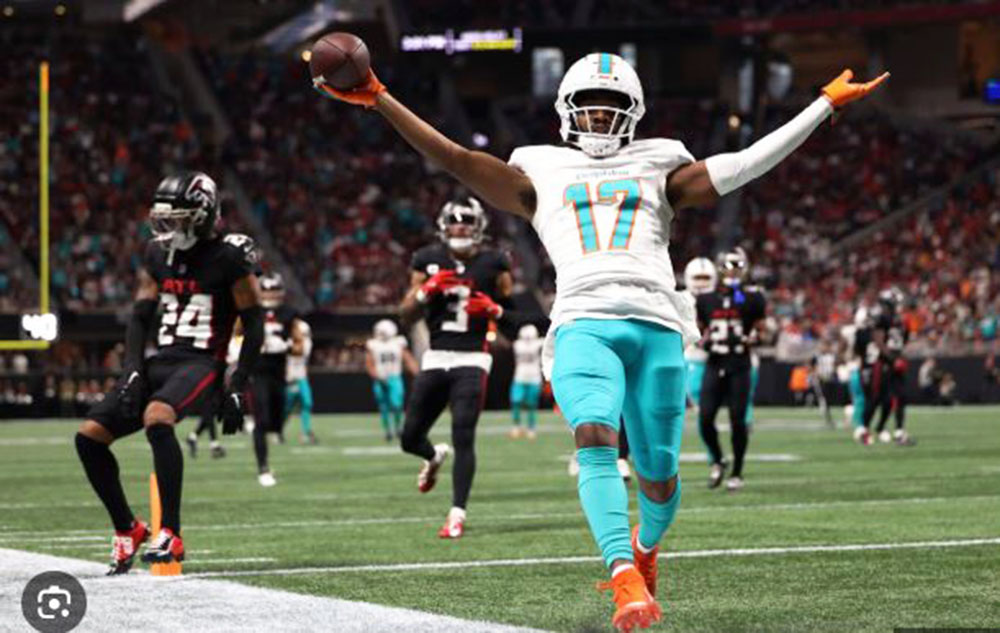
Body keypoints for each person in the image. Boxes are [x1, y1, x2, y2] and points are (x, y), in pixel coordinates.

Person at [315, 53, 887, 631]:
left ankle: (645, 547)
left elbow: (741, 165)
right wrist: (382, 98)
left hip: (657, 323)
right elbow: (457, 158)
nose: (598, 119)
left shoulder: (660, 165)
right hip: (583, 320)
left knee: (658, 475)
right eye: (588, 108)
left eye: (611, 108)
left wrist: (821, 106)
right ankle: (623, 577)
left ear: (632, 114)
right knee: (594, 438)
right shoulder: (541, 172)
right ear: (567, 113)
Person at [75, 172, 263, 574]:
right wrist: (131, 370)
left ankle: (171, 532)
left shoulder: (229, 257)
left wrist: (238, 381)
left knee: (157, 419)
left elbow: (255, 322)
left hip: (201, 361)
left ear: (202, 214)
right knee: (89, 437)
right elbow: (140, 317)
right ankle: (128, 528)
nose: (168, 225)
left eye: (177, 217)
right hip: (161, 359)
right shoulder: (157, 254)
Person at [396, 198, 513, 539]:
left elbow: (514, 313)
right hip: (436, 356)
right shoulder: (426, 259)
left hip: (474, 357)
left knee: (464, 433)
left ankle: (457, 514)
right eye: (454, 221)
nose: (460, 226)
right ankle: (433, 456)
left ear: (478, 226)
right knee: (409, 437)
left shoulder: (495, 262)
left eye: (466, 221)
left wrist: (495, 310)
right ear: (443, 226)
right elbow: (405, 314)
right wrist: (423, 294)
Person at [696, 248, 767, 492]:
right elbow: (699, 330)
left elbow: (762, 330)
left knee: (738, 420)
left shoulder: (752, 297)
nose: (734, 272)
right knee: (705, 419)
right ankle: (717, 460)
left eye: (738, 267)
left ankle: (737, 471)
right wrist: (700, 339)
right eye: (730, 267)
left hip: (739, 364)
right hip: (715, 363)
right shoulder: (705, 299)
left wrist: (754, 337)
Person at [250, 272, 304, 486]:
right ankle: (263, 467)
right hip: (258, 371)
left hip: (278, 372)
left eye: (274, 290)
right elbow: (235, 333)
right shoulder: (251, 312)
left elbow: (299, 346)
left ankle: (274, 431)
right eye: (267, 290)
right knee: (261, 421)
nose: (270, 294)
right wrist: (249, 345)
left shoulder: (289, 314)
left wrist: (287, 346)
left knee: (277, 421)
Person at [858, 288, 914, 446]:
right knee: (877, 398)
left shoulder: (902, 321)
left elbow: (903, 341)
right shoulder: (882, 318)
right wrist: (891, 358)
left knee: (901, 397)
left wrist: (900, 357)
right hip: (882, 363)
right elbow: (878, 340)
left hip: (896, 362)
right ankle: (864, 429)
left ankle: (899, 431)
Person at [365, 319, 418, 442]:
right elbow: (369, 364)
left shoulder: (398, 342)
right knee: (384, 406)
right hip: (380, 378)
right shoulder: (373, 344)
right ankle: (388, 431)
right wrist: (377, 376)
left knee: (397, 404)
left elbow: (408, 359)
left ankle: (398, 427)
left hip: (394, 378)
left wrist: (417, 373)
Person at [509, 324, 544, 439]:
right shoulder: (517, 345)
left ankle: (531, 428)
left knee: (531, 405)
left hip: (534, 378)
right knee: (516, 401)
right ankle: (517, 426)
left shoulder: (538, 344)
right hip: (519, 378)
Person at [285, 319, 317, 444]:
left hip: (301, 378)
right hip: (289, 379)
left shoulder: (306, 343)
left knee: (307, 403)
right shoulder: (287, 342)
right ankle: (278, 430)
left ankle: (306, 432)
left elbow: (300, 350)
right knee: (287, 408)